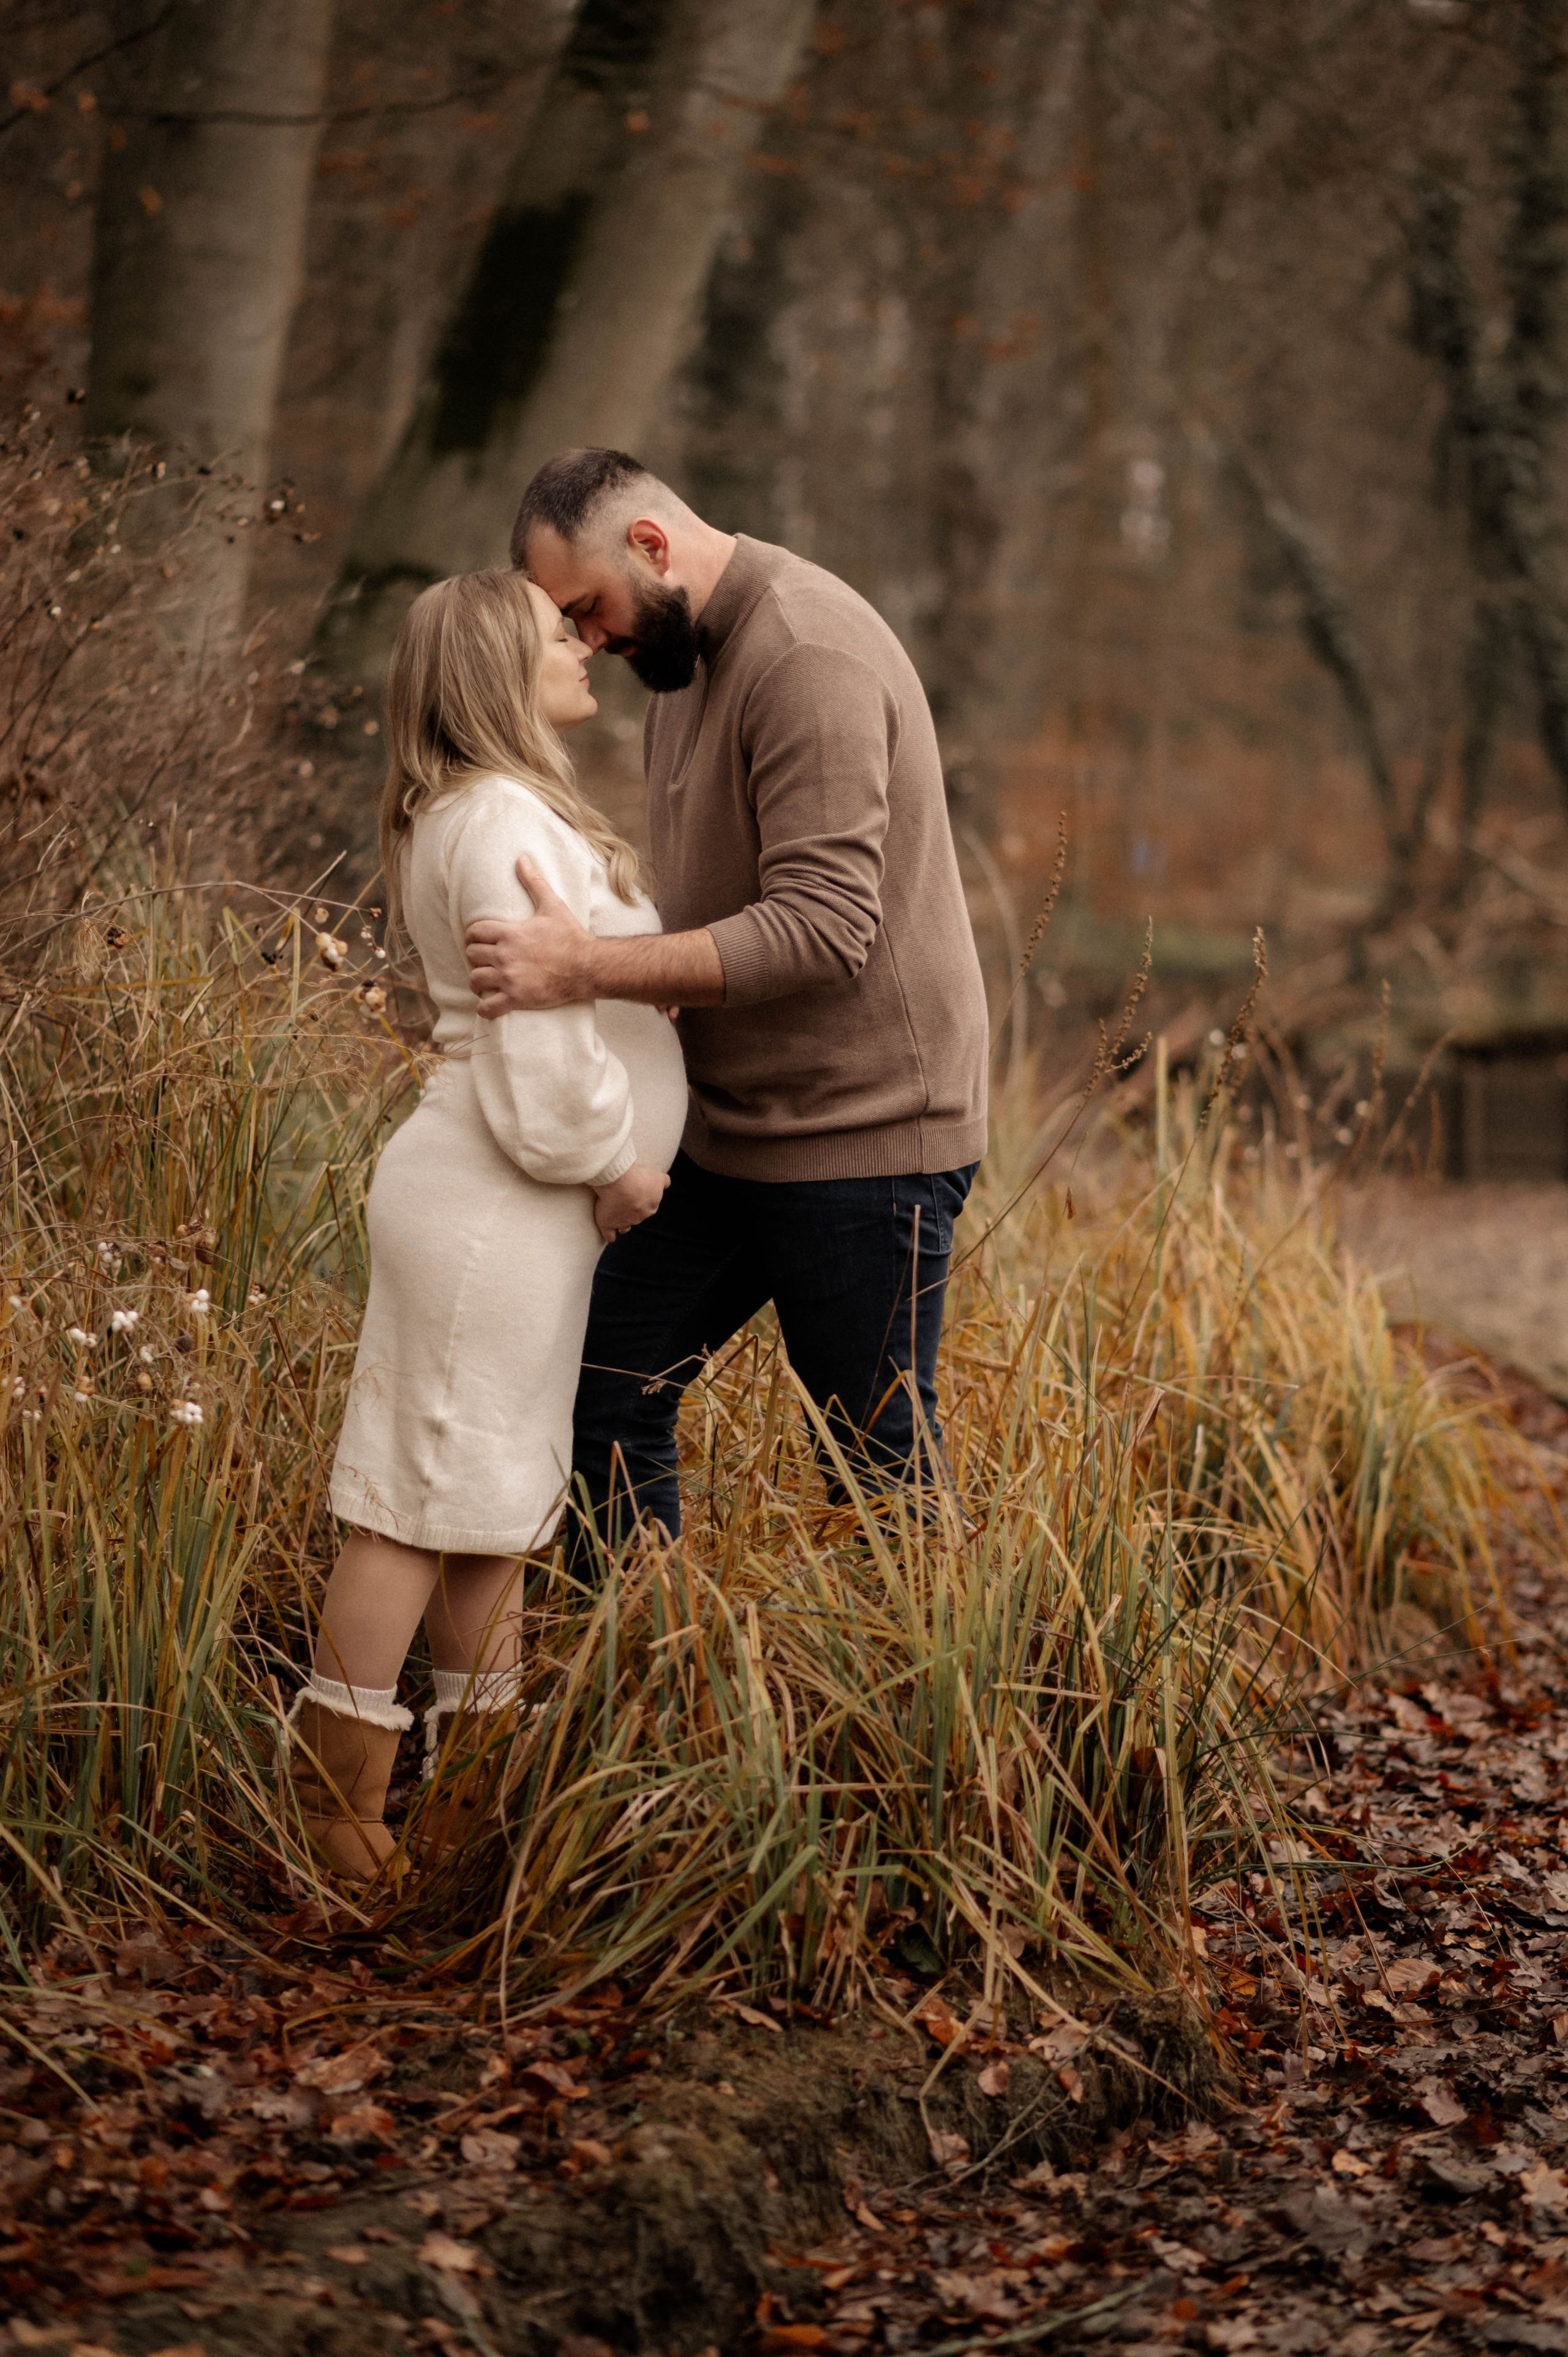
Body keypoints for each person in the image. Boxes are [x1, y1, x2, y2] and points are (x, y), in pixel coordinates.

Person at [464, 448, 990, 1558]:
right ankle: (647, 1674)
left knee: (880, 1475)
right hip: (732, 1131)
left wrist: (588, 970)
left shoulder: (808, 654)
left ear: (651, 547)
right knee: (601, 1390)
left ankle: (943, 1725)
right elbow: (716, 894)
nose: (586, 639)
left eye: (586, 607)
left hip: (866, 1139)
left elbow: (824, 927)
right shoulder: (685, 657)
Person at [286, 567, 687, 1880]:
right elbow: (541, 1031)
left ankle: (467, 1808)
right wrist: (614, 1162)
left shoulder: (474, 807)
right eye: (551, 634)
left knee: (492, 1499)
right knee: (416, 1494)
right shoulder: (502, 811)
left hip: (500, 1201)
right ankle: (335, 1816)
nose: (582, 644)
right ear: (490, 675)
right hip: (502, 1195)